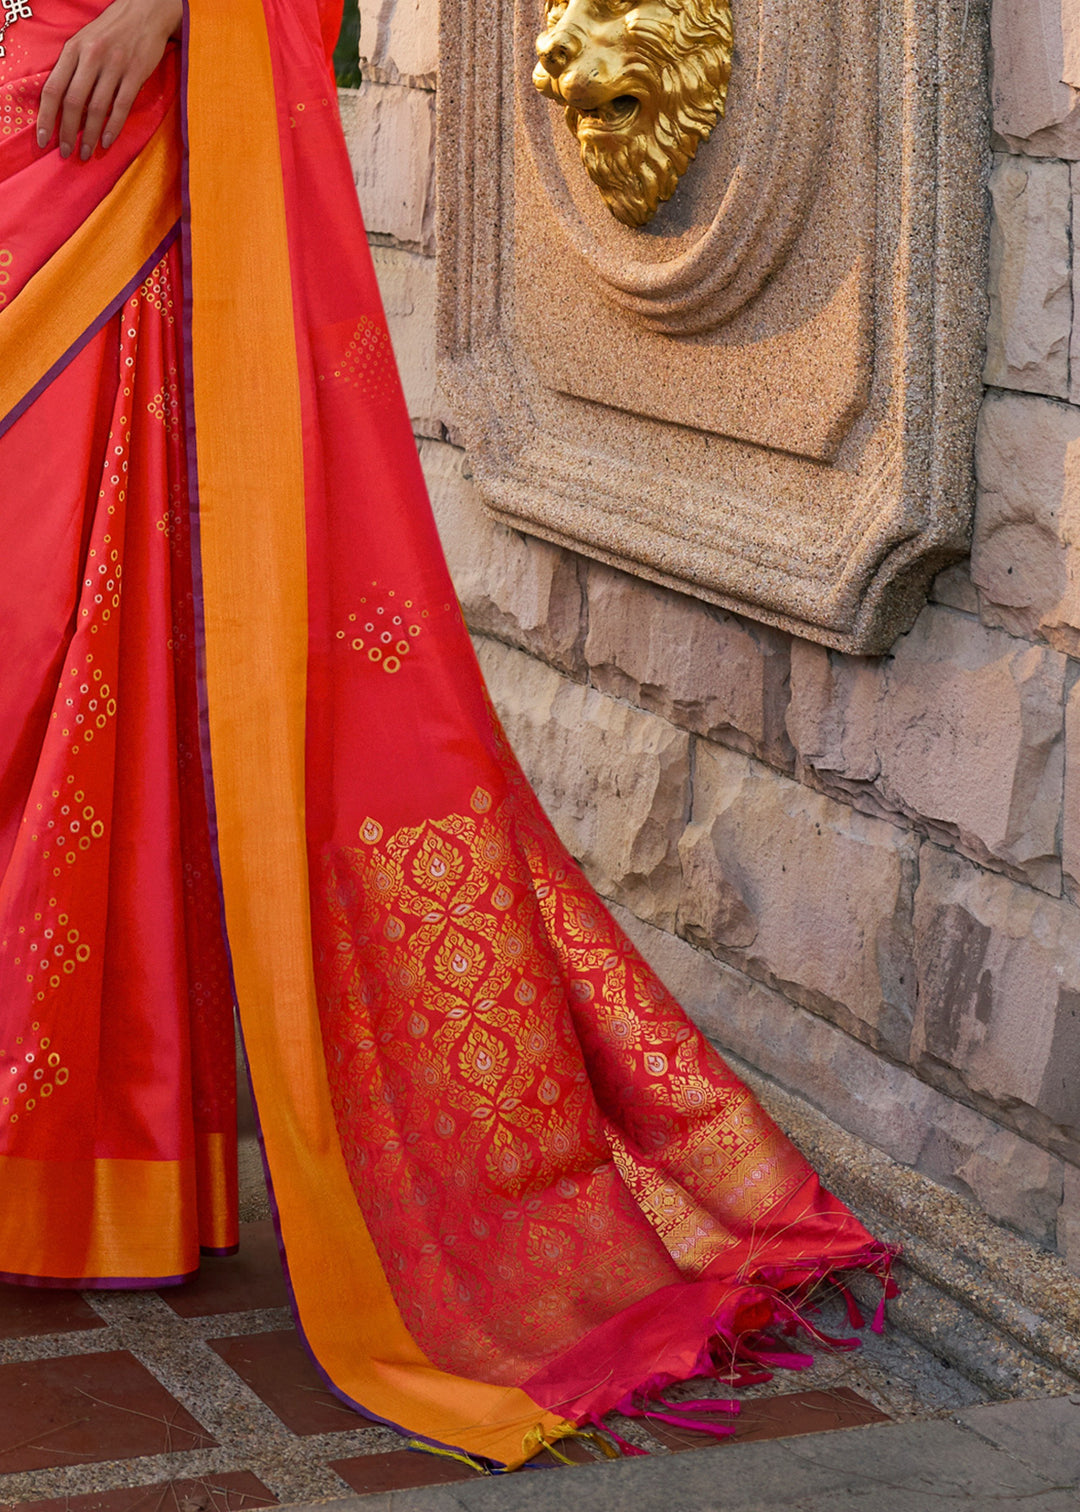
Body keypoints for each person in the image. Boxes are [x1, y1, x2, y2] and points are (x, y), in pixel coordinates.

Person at [0, 0, 894, 1470]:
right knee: (70, 619)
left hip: (120, 123)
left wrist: (168, 11)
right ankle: (65, 1154)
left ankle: (100, 1156)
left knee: (82, 613)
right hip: (33, 117)